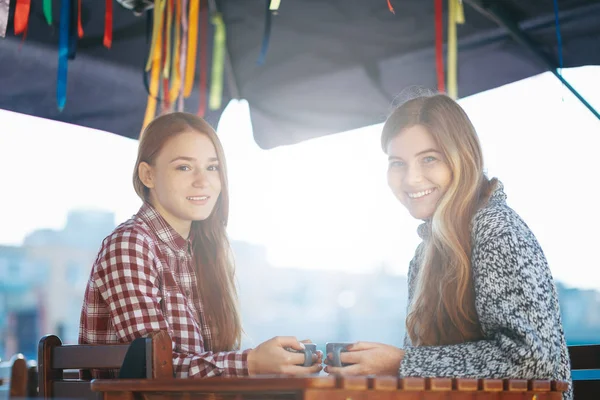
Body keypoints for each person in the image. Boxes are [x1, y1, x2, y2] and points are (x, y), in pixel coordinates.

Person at [324, 93, 572, 399]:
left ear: (462, 158)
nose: (411, 179)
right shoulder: (424, 254)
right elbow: (431, 373)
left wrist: (402, 363)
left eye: (429, 158)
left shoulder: (496, 229)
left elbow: (532, 362)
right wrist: (379, 370)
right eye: (397, 163)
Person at [79, 112, 322, 378]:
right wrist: (253, 363)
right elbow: (152, 371)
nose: (202, 181)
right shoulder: (130, 245)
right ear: (148, 175)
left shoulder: (202, 251)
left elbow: (212, 364)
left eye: (212, 167)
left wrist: (278, 363)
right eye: (184, 167)